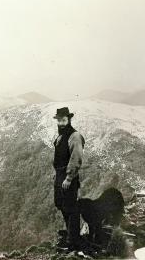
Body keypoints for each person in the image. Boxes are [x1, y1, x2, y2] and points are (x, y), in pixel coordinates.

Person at [52, 107, 85, 251]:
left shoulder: (74, 136)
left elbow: (76, 157)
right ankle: (71, 238)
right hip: (59, 176)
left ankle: (74, 243)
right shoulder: (60, 136)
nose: (61, 123)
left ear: (69, 119)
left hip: (67, 178)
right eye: (59, 120)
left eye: (64, 120)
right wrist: (57, 176)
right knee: (62, 205)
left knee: (71, 209)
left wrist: (69, 177)